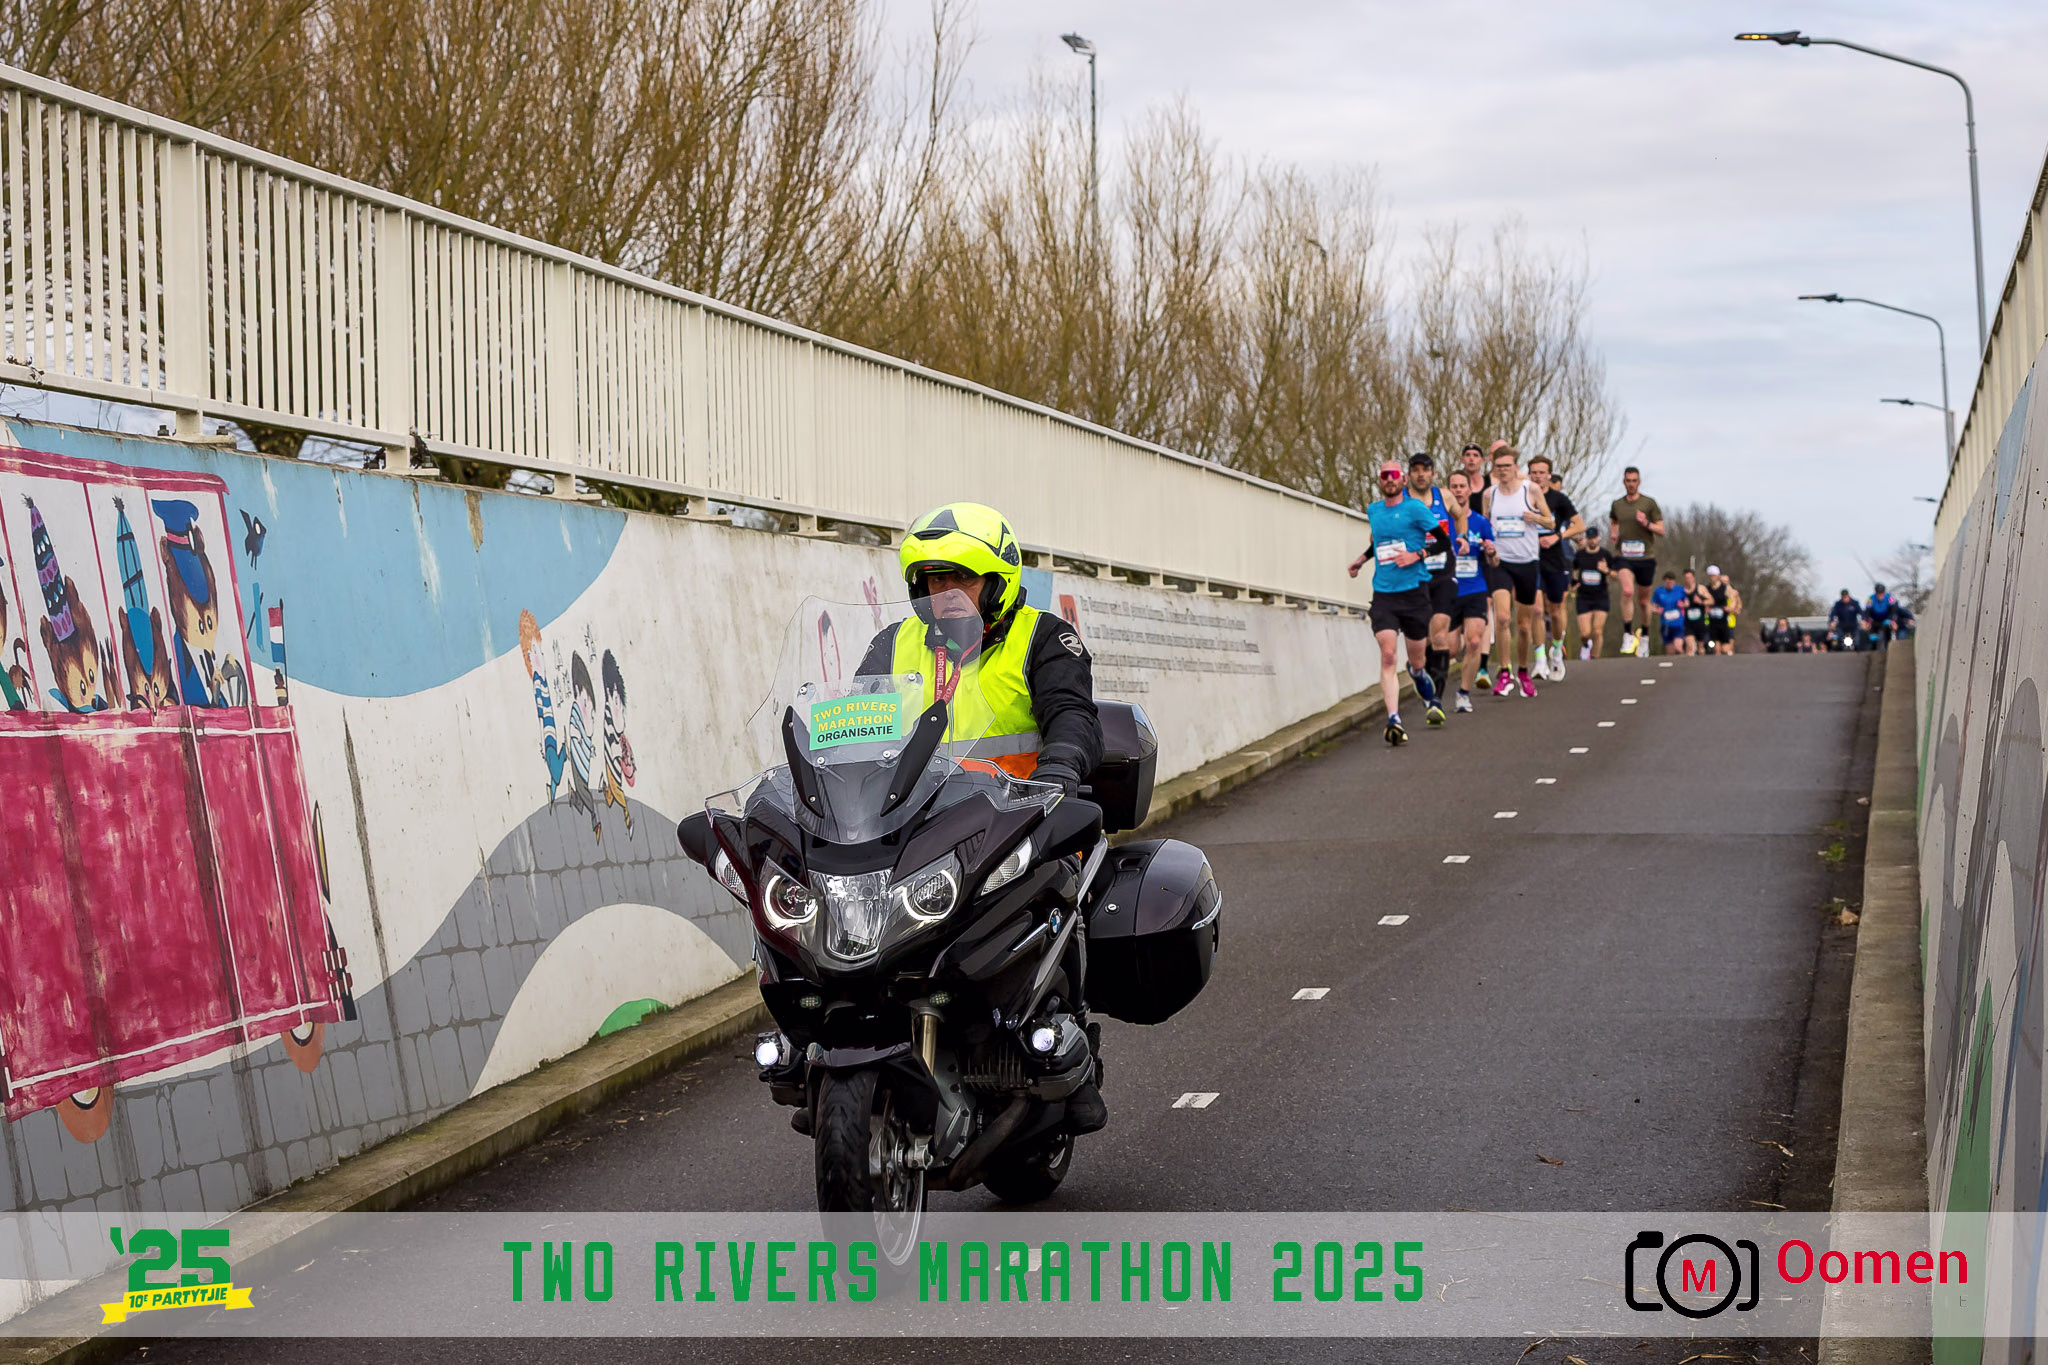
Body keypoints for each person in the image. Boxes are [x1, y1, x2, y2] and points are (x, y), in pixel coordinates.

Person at [871, 500, 1107, 1133]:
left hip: (1016, 823)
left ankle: (1066, 1048)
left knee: (1061, 892)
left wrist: (1059, 771)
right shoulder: (892, 645)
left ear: (998, 583)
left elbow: (1073, 718)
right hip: (916, 830)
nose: (943, 595)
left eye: (959, 579)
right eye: (931, 582)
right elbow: (849, 726)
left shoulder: (1043, 637)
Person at [1349, 458, 1448, 744]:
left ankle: (1417, 673)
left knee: (1417, 659)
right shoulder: (1374, 510)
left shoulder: (1415, 508)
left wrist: (1417, 555)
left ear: (1403, 480)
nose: (1389, 479)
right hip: (1384, 594)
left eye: (1394, 475)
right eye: (1384, 476)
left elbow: (1443, 542)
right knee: (1389, 655)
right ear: (1380, 481)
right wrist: (1362, 559)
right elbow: (1380, 543)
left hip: (1414, 592)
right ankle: (1394, 719)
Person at [1482, 445, 1555, 697]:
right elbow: (1485, 526)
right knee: (1502, 618)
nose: (1503, 470)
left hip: (1527, 562)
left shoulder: (1530, 490)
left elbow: (1551, 522)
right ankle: (1505, 672)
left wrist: (1534, 517)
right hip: (1501, 562)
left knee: (1523, 625)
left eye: (1507, 466)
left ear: (1516, 467)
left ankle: (1523, 670)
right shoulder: (1489, 494)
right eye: (1498, 466)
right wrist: (1488, 546)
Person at [1408, 452, 1457, 707]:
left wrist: (1462, 538)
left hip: (1443, 574)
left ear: (1433, 473)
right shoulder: (1400, 502)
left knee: (1439, 634)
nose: (1421, 474)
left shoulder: (1444, 496)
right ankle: (1420, 674)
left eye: (1425, 470)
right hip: (1414, 576)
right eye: (1416, 470)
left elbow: (1460, 515)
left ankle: (1436, 699)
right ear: (1409, 475)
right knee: (1422, 637)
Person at [1528, 456, 1583, 680]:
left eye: (1541, 472)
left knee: (1556, 610)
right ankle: (1540, 659)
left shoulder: (1558, 499)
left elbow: (1579, 525)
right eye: (1534, 472)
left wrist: (1557, 537)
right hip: (1531, 558)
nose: (1537, 476)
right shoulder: (1524, 496)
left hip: (1555, 559)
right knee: (1536, 609)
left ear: (1549, 475)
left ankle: (1557, 651)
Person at [1445, 470, 1496, 712]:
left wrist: (1491, 552)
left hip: (1475, 588)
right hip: (1448, 589)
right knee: (1451, 649)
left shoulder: (1481, 523)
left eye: (1461, 486)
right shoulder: (1440, 522)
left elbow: (1494, 562)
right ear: (1448, 491)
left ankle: (1463, 693)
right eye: (1453, 486)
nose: (1458, 490)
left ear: (1469, 490)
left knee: (1474, 641)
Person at [1607, 466, 1666, 657]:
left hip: (1645, 557)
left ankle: (1645, 637)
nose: (1631, 484)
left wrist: (1646, 523)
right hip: (1624, 555)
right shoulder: (1617, 504)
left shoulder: (1649, 503)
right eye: (1628, 481)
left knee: (1643, 601)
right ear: (1624, 482)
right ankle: (1627, 634)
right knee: (1627, 591)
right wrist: (1614, 533)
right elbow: (1614, 521)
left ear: (1639, 482)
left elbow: (1661, 530)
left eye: (1634, 481)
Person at [1456, 444, 1495, 689]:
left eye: (1475, 456)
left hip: (1480, 557)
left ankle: (1482, 665)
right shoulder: (1455, 486)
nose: (1471, 459)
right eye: (1467, 455)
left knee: (1486, 608)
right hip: (1456, 567)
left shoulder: (1490, 486)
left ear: (1482, 460)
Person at [1572, 527, 1612, 658]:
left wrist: (1606, 571)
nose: (1592, 541)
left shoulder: (1605, 554)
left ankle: (1595, 659)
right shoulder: (1580, 555)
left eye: (1594, 538)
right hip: (1584, 597)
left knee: (1597, 631)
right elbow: (1574, 570)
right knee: (1585, 633)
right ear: (1587, 539)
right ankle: (1585, 645)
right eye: (1589, 538)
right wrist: (1574, 582)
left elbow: (1616, 574)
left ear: (1598, 538)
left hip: (1601, 596)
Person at [1651, 572, 1690, 656]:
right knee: (1670, 652)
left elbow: (1687, 603)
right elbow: (1652, 607)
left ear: (1674, 581)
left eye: (1671, 581)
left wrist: (1682, 605)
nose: (1669, 583)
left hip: (1678, 624)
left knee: (1678, 647)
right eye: (1667, 581)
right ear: (1664, 581)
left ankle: (1684, 660)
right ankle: (1675, 663)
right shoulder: (1658, 591)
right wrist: (1657, 610)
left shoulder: (1680, 589)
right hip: (1666, 625)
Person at [1706, 565, 1740, 656]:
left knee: (1725, 649)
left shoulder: (1725, 588)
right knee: (1716, 650)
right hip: (1712, 621)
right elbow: (1703, 599)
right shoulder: (1707, 588)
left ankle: (1729, 654)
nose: (1712, 578)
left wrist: (1731, 607)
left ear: (1718, 576)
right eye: (1710, 576)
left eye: (1713, 575)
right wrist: (1705, 606)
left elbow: (1734, 598)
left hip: (1724, 621)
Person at [1680, 568, 1708, 656]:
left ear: (1693, 578)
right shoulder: (1681, 591)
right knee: (1689, 648)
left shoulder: (1700, 589)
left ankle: (1701, 662)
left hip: (1700, 623)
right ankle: (1689, 663)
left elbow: (1711, 600)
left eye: (1690, 578)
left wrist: (1701, 601)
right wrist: (1681, 604)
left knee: (1700, 649)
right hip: (1688, 623)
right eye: (1686, 578)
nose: (1688, 580)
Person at [1864, 583, 1899, 649]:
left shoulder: (1889, 597)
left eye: (1881, 594)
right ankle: (1873, 649)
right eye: (1878, 594)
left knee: (1888, 631)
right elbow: (1867, 611)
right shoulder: (1870, 598)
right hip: (1875, 619)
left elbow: (1894, 609)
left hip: (1886, 618)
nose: (1880, 596)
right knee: (1872, 636)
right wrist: (1867, 621)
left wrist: (1893, 620)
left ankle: (1887, 647)